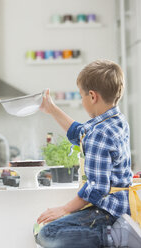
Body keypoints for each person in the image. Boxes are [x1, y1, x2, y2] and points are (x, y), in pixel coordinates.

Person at [35, 59, 141, 248]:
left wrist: (63, 209)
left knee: (47, 233)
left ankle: (115, 237)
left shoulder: (99, 134)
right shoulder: (116, 120)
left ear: (92, 96)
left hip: (109, 212)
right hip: (121, 207)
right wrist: (51, 109)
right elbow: (80, 134)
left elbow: (96, 188)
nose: (81, 100)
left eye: (81, 96)